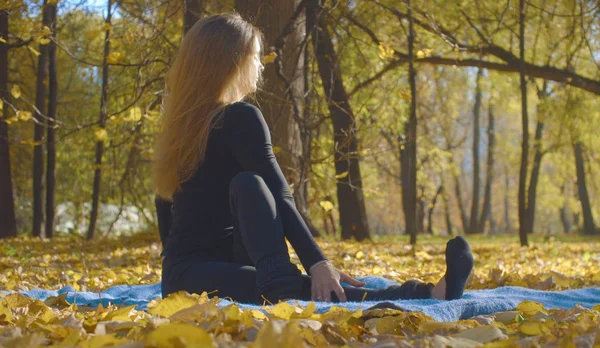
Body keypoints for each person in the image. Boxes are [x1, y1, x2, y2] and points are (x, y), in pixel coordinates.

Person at [153, 13, 474, 304]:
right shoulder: (240, 117)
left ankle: (281, 281)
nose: (261, 65)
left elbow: (165, 210)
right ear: (231, 62)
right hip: (195, 278)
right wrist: (318, 264)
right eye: (255, 57)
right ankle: (423, 293)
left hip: (192, 271)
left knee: (248, 185)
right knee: (290, 283)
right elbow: (280, 195)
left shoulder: (181, 127)